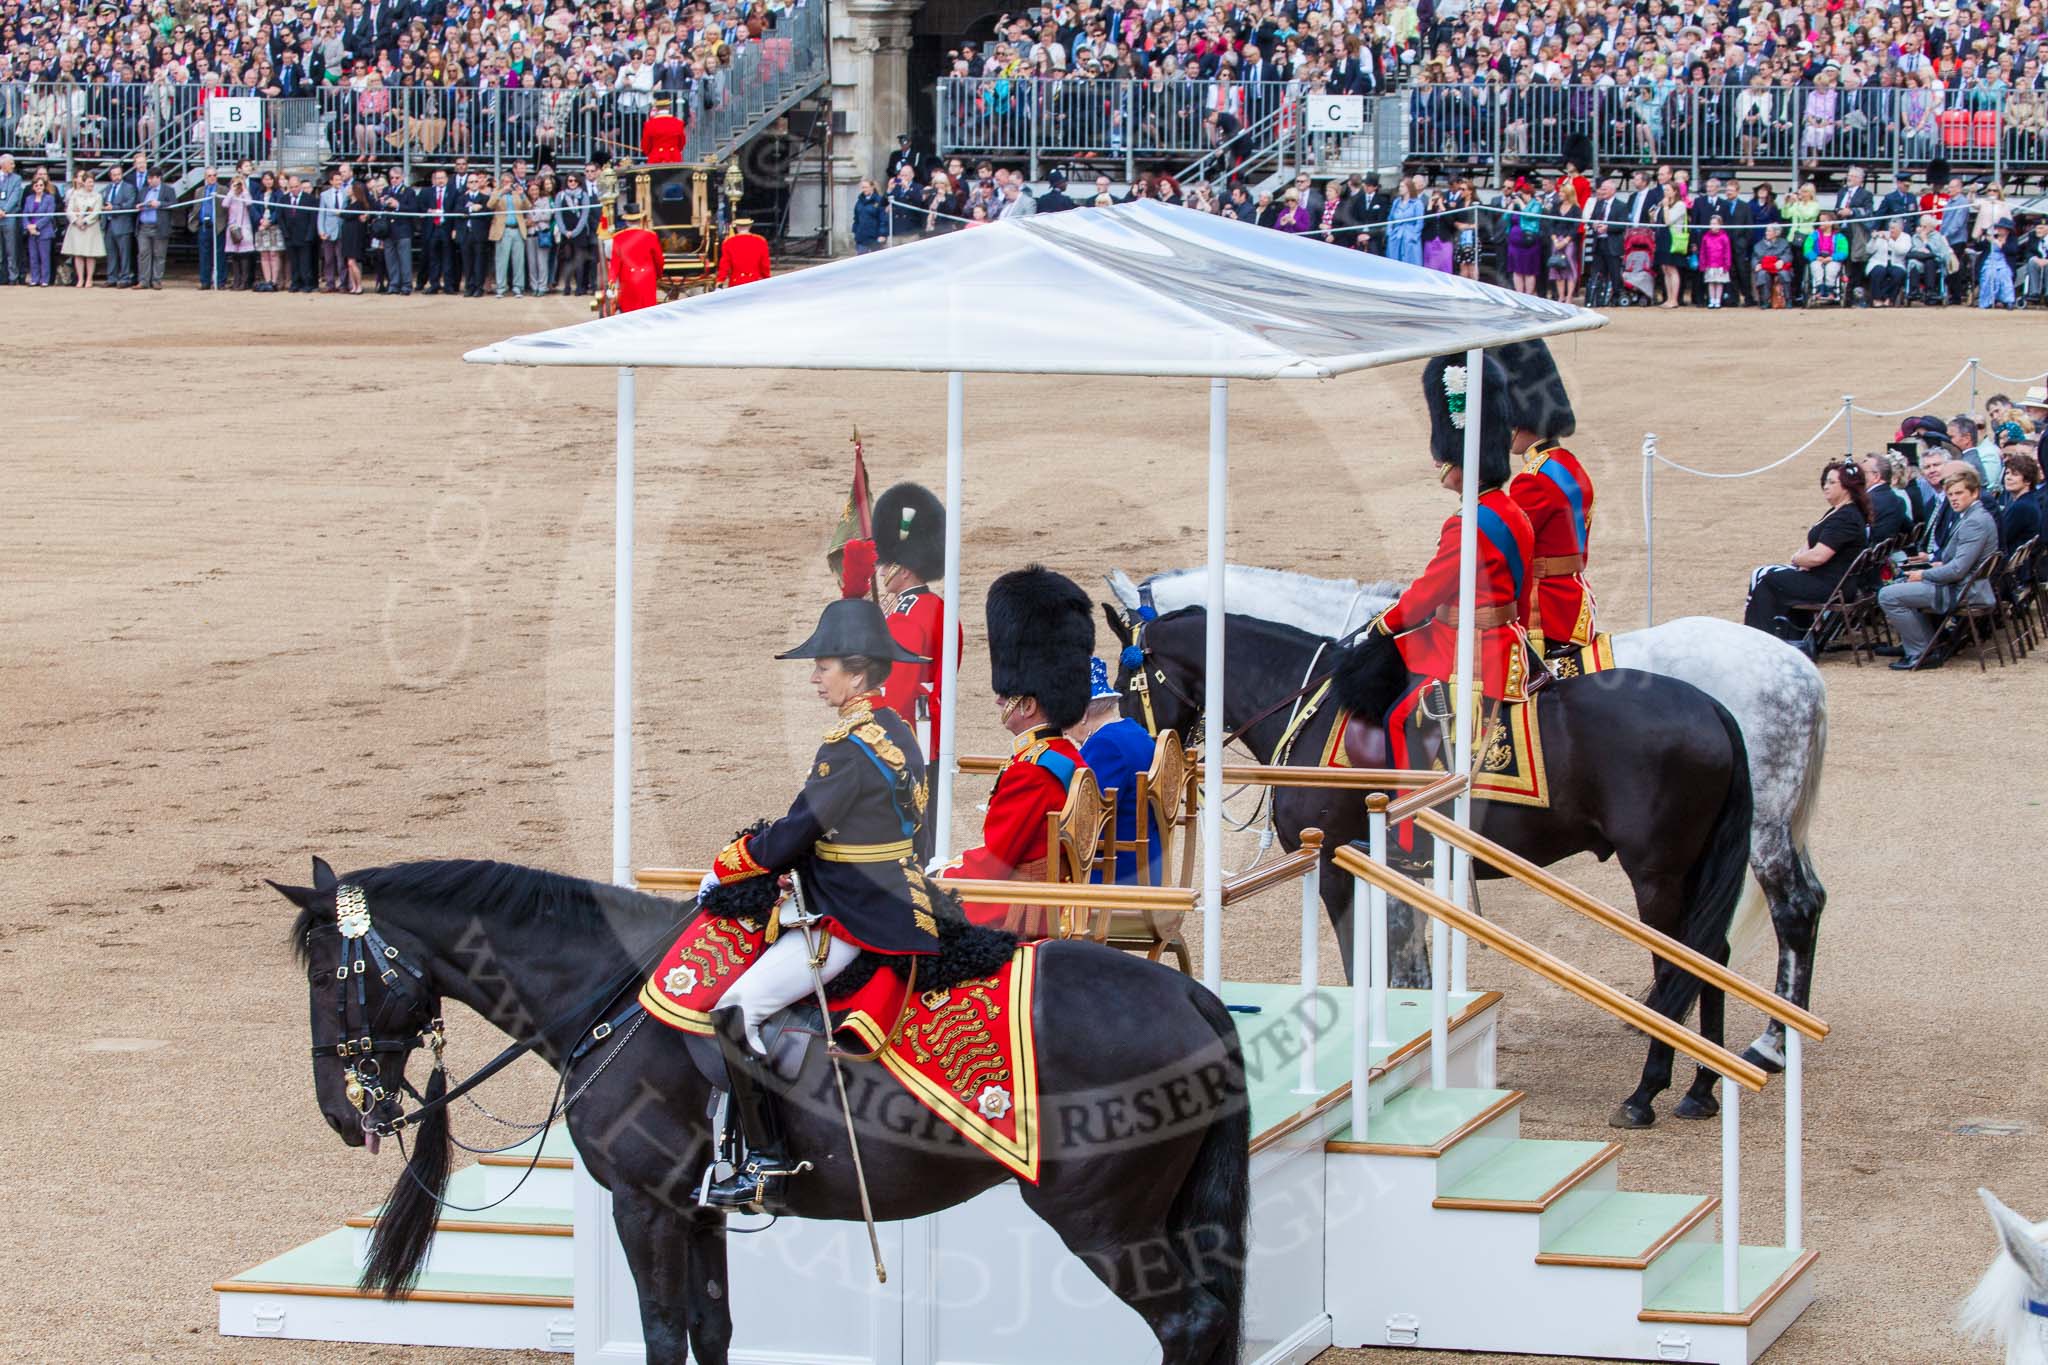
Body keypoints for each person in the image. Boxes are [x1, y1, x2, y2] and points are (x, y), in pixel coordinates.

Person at [673, 593, 938, 1209]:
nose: (816, 677)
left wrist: (729, 865)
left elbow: (795, 832)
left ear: (858, 669)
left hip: (857, 912)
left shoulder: (848, 747)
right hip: (888, 891)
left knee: (736, 1010)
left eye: (823, 666)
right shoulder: (894, 728)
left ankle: (766, 1160)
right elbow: (906, 837)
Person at [1345, 354, 1535, 778]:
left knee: (1400, 720)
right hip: (1503, 638)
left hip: (1471, 652)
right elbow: (1521, 593)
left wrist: (1381, 625)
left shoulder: (1468, 525)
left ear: (1461, 460)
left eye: (1443, 455)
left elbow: (1426, 595)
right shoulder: (1511, 510)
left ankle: (1407, 833)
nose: (1437, 463)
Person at [938, 566, 1093, 928]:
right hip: (1041, 898)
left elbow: (996, 860)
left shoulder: (1030, 772)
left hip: (1019, 909)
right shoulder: (1066, 755)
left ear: (1027, 705)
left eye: (1006, 694)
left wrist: (941, 873)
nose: (997, 701)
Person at [840, 483, 959, 763]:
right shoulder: (936, 608)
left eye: (886, 564)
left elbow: (897, 692)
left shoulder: (907, 618)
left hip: (906, 739)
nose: (880, 571)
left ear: (904, 568)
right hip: (930, 732)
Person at [1500, 339, 1596, 656]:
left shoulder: (1532, 480)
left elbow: (1510, 547)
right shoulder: (1567, 463)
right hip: (1576, 598)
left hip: (1547, 608)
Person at [1742, 461, 1873, 653]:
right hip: (1827, 580)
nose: (1825, 486)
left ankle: (1760, 643)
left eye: (1831, 482)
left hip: (1831, 585)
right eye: (1824, 482)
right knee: (1770, 576)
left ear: (1846, 486)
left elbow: (1818, 556)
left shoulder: (1846, 517)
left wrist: (1796, 559)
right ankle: (1785, 638)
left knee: (1768, 580)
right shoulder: (1839, 511)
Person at [1877, 464, 1997, 669]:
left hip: (1963, 590)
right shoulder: (1972, 517)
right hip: (1963, 585)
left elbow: (1958, 570)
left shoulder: (1974, 522)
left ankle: (1920, 652)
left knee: (1887, 595)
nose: (1954, 498)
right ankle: (1922, 646)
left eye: (1959, 493)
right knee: (1897, 586)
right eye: (1950, 494)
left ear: (1975, 493)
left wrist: (1924, 574)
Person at [1069, 658, 1161, 886]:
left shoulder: (1105, 745)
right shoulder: (1134, 731)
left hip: (1116, 870)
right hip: (1144, 861)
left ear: (1081, 713)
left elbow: (1085, 814)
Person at [487, 172, 530, 298]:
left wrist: (522, 195)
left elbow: (528, 206)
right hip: (503, 230)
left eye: (508, 181)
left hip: (518, 229)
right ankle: (501, 287)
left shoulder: (517, 192)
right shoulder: (496, 192)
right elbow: (490, 205)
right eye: (504, 181)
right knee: (501, 260)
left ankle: (518, 287)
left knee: (518, 261)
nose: (506, 184)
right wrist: (501, 193)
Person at [606, 224, 664, 313]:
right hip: (647, 278)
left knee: (629, 312)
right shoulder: (651, 235)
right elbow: (659, 260)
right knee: (648, 310)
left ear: (626, 220)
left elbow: (615, 265)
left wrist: (611, 283)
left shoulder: (618, 237)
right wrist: (659, 275)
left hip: (628, 279)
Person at [420, 169, 460, 294]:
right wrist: (428, 211)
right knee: (433, 258)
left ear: (447, 179)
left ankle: (448, 285)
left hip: (446, 228)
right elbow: (420, 206)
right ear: (434, 179)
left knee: (448, 258)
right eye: (438, 178)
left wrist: (455, 229)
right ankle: (434, 284)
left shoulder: (454, 192)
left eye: (442, 178)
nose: (440, 180)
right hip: (432, 229)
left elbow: (456, 209)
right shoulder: (427, 192)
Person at [63, 170, 105, 289]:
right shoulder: (75, 194)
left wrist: (85, 221)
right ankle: (80, 279)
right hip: (77, 227)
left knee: (90, 254)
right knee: (78, 254)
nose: (91, 184)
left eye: (92, 182)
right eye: (89, 182)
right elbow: (69, 210)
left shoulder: (98, 196)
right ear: (84, 182)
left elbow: (96, 212)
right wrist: (76, 221)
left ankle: (89, 279)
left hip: (91, 227)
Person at [134, 169, 173, 291]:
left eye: (152, 178)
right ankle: (143, 281)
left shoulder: (168, 190)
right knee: (143, 254)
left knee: (159, 254)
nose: (149, 180)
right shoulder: (144, 190)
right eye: (148, 178)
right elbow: (136, 203)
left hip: (159, 226)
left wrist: (160, 204)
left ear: (159, 178)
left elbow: (174, 204)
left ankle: (156, 280)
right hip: (144, 226)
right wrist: (138, 206)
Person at [22, 168, 58, 287]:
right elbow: (25, 214)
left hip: (44, 231)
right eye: (36, 185)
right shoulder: (29, 199)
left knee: (44, 256)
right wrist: (28, 226)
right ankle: (34, 279)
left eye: (41, 185)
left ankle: (45, 279)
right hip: (31, 232)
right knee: (33, 256)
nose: (39, 187)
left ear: (44, 186)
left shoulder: (49, 199)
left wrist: (36, 225)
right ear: (33, 187)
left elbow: (49, 215)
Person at [222, 174, 256, 291]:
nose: (238, 185)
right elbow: (224, 204)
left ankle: (244, 281)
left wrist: (245, 189)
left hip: (244, 227)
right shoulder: (231, 195)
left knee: (244, 255)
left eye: (239, 183)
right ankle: (236, 280)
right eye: (235, 183)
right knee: (234, 256)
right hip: (233, 228)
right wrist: (232, 190)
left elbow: (249, 203)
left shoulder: (244, 194)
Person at [715, 218, 771, 287]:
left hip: (736, 282)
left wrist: (720, 280)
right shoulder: (760, 241)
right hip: (755, 281)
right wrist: (767, 278)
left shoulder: (728, 242)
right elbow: (765, 265)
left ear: (737, 227)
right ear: (750, 226)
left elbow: (725, 265)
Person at [0, 155, 23, 286]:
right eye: (11, 164)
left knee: (11, 249)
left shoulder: (17, 178)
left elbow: (15, 197)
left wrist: (4, 211)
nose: (13, 166)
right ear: (3, 164)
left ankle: (13, 277)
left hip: (9, 218)